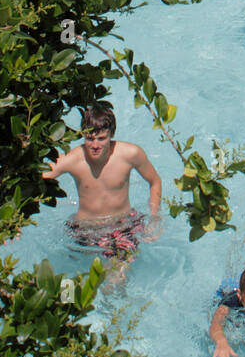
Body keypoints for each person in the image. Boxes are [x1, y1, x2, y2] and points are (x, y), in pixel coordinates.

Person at [42, 103, 162, 260]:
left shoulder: (130, 154)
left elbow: (155, 181)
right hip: (85, 229)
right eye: (90, 139)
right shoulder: (73, 160)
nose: (95, 145)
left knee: (117, 272)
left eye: (101, 138)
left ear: (111, 134)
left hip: (122, 225)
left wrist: (155, 217)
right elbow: (34, 178)